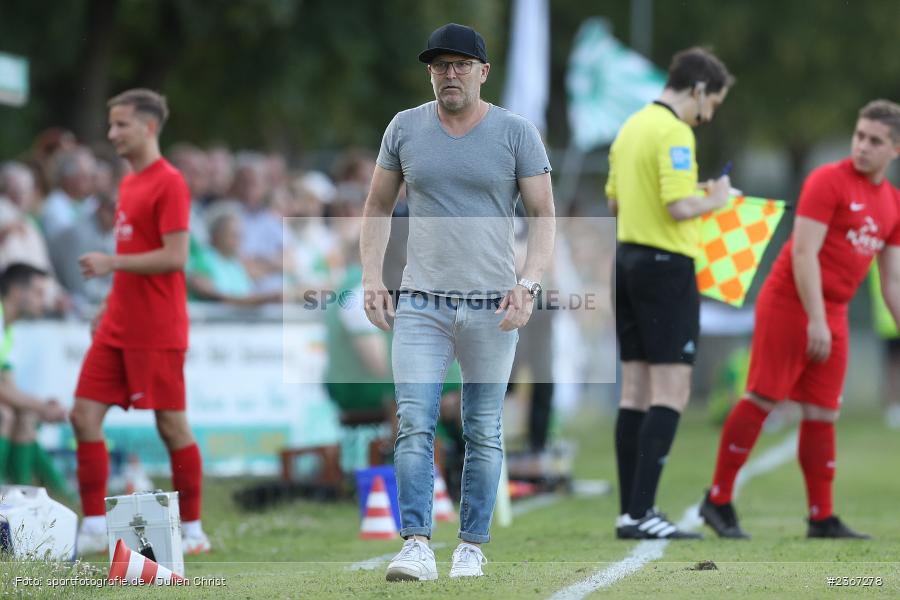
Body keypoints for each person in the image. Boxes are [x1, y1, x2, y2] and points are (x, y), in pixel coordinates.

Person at [360, 23, 555, 581]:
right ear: (430, 72)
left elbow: (544, 214)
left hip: (493, 304)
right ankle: (416, 544)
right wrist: (372, 277)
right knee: (413, 422)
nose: (450, 73)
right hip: (421, 302)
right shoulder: (404, 127)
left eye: (461, 64)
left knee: (483, 428)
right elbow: (376, 206)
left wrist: (529, 284)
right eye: (440, 65)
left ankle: (470, 545)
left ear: (482, 72)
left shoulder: (516, 132)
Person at [700, 99, 900, 539]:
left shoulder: (892, 203)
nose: (862, 146)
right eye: (859, 136)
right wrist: (816, 319)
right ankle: (717, 499)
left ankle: (821, 517)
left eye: (875, 141)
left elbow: (892, 280)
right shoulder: (827, 181)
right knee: (763, 397)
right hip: (791, 302)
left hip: (834, 311)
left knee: (824, 411)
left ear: (895, 149)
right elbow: (804, 253)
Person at [68, 88, 210, 555]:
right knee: (83, 415)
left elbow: (175, 256)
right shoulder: (129, 184)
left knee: (171, 426)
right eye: (111, 124)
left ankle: (193, 530)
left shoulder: (170, 182)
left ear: (149, 127)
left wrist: (111, 263)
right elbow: (135, 254)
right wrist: (109, 304)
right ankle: (94, 526)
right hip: (118, 324)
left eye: (121, 124)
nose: (112, 133)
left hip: (157, 327)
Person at [607, 47, 733, 540]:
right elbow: (678, 207)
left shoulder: (630, 127)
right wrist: (714, 198)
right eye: (713, 104)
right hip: (665, 268)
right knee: (672, 390)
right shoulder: (675, 131)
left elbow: (616, 202)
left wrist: (688, 193)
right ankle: (643, 512)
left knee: (635, 390)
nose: (709, 115)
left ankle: (630, 512)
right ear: (698, 90)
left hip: (627, 262)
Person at [0, 264, 68, 486]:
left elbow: (7, 386)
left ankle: (20, 495)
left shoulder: (8, 330)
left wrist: (39, 406)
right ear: (17, 291)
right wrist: (41, 407)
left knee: (25, 414)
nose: (45, 302)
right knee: (4, 415)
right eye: (39, 293)